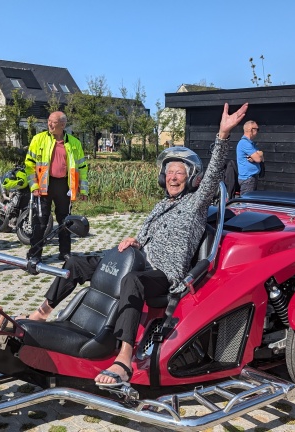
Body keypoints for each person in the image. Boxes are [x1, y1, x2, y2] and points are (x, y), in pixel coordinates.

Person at [18, 103, 249, 387]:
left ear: (190, 177)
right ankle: (41, 314)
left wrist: (223, 135)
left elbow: (214, 174)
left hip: (164, 274)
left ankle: (124, 358)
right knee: (77, 262)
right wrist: (135, 240)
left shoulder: (196, 204)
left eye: (179, 172)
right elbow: (146, 234)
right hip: (138, 258)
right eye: (170, 172)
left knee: (132, 283)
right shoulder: (161, 204)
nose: (173, 177)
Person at [25, 111, 88, 262]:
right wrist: (34, 186)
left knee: (65, 221)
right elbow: (29, 164)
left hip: (64, 185)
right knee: (40, 221)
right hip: (44, 185)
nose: (49, 124)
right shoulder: (38, 139)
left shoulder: (74, 143)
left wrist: (83, 189)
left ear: (63, 124)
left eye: (53, 122)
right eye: (48, 121)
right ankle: (35, 254)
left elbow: (82, 167)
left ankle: (65, 252)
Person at [235, 120, 263, 194]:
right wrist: (257, 157)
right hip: (248, 180)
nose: (257, 132)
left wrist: (257, 156)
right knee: (246, 204)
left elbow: (261, 154)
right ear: (251, 130)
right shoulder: (244, 143)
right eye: (257, 129)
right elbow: (259, 159)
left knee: (250, 203)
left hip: (251, 178)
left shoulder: (251, 143)